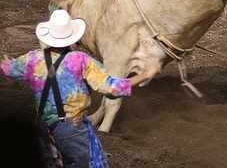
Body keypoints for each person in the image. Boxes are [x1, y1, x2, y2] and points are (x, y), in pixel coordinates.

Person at [1, 9, 154, 167]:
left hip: (42, 127)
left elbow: (9, 69)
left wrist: (5, 62)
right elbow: (113, 88)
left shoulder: (32, 59)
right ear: (72, 38)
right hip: (71, 129)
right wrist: (145, 75)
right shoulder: (80, 60)